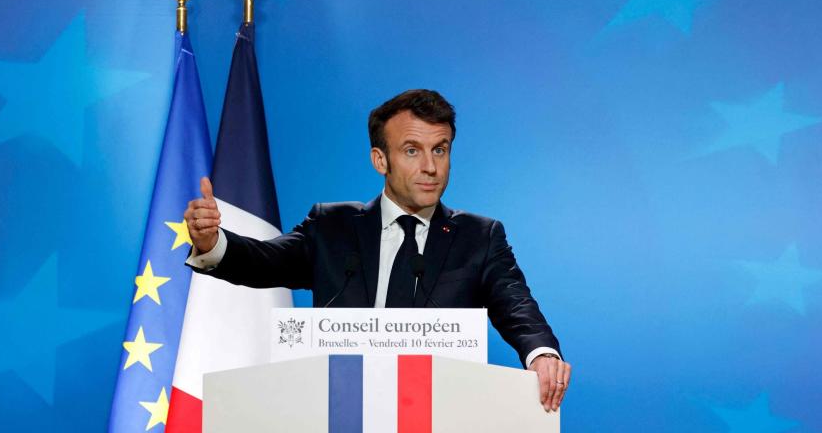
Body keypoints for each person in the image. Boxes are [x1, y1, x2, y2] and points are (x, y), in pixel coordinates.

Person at [184, 89, 572, 412]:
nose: (430, 167)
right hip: (339, 410)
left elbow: (517, 306)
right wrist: (211, 243)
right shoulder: (332, 227)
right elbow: (264, 262)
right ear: (380, 160)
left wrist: (542, 354)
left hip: (440, 412)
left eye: (440, 150)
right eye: (411, 151)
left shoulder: (479, 236)